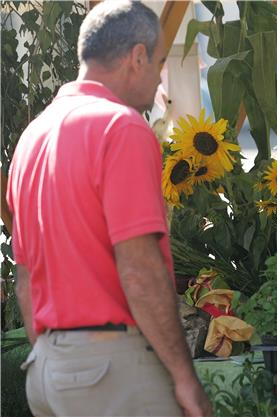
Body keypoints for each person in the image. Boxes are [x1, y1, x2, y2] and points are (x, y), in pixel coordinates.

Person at [6, 2, 212, 416]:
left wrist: (58, 359)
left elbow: (25, 278)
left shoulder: (32, 138)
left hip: (48, 371)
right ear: (137, 57)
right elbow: (139, 269)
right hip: (110, 366)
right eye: (157, 63)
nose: (158, 79)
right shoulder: (121, 127)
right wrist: (185, 378)